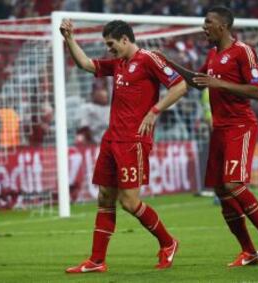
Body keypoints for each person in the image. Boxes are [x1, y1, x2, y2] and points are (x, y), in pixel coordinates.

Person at [60, 19, 187, 273]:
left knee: (129, 202)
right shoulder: (119, 63)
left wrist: (155, 111)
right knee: (105, 197)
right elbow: (86, 64)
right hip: (111, 139)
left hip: (134, 140)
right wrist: (69, 38)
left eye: (111, 44)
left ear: (125, 40)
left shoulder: (150, 59)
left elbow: (180, 85)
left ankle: (168, 242)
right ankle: (97, 260)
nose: (109, 49)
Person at [160, 6, 258, 267]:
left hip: (241, 126)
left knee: (234, 184)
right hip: (219, 129)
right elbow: (197, 80)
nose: (204, 27)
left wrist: (221, 84)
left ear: (223, 26)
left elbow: (257, 91)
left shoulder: (243, 51)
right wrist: (167, 63)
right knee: (220, 189)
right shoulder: (213, 55)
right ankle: (248, 251)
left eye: (208, 23)